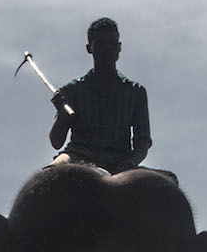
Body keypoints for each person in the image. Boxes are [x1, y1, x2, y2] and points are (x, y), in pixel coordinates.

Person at [48, 17, 151, 173]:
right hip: (77, 157)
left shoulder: (136, 92)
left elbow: (142, 141)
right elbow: (56, 141)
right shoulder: (72, 91)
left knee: (167, 183)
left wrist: (131, 161)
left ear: (119, 47)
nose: (107, 49)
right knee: (51, 174)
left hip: (120, 162)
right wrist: (63, 115)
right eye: (100, 44)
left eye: (112, 43)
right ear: (90, 49)